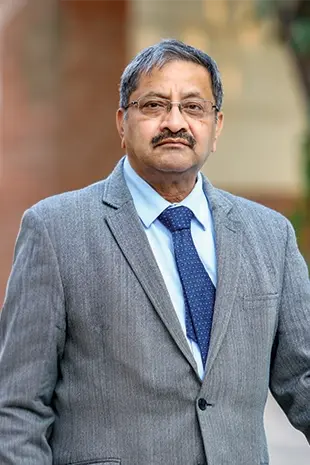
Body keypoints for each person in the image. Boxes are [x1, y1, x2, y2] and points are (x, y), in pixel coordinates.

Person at [0, 39, 309, 465]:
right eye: (153, 105)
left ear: (217, 126)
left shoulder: (270, 235)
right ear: (122, 123)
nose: (174, 122)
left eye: (194, 107)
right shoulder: (55, 231)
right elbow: (15, 408)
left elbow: (303, 378)